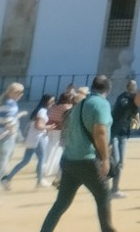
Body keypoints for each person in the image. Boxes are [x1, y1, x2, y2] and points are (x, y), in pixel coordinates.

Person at [38, 74, 116, 232]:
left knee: (61, 204)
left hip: (69, 160)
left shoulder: (80, 105)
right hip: (87, 160)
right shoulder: (101, 104)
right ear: (108, 89)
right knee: (103, 197)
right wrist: (106, 159)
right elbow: (100, 132)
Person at [4, 93, 57, 188]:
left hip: (33, 138)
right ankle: (40, 180)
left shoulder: (39, 110)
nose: (53, 103)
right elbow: (38, 126)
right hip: (39, 138)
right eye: (51, 101)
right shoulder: (42, 111)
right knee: (41, 159)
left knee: (25, 160)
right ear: (47, 101)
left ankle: (8, 178)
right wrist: (48, 127)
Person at [106, 78, 140, 197]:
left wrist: (137, 120)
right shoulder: (123, 101)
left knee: (120, 162)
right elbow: (116, 115)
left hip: (123, 133)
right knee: (116, 161)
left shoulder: (136, 102)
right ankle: (106, 186)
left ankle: (114, 189)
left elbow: (135, 112)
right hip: (114, 133)